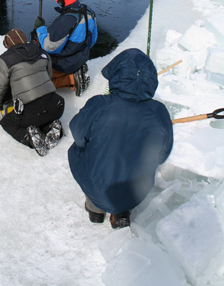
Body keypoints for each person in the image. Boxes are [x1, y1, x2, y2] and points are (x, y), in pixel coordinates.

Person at [67, 48, 173, 229]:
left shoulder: (99, 104)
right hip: (137, 192)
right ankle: (122, 212)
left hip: (97, 186)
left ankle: (95, 209)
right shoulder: (159, 112)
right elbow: (162, 156)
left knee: (76, 151)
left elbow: (78, 135)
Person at [0, 29, 66, 157]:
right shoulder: (41, 52)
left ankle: (28, 137)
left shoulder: (5, 60)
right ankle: (50, 126)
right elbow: (48, 76)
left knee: (7, 122)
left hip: (32, 113)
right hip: (56, 105)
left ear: (8, 45)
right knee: (42, 112)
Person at [32, 0, 96, 96]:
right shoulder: (88, 11)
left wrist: (40, 28)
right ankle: (75, 71)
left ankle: (71, 79)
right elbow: (93, 39)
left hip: (65, 63)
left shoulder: (66, 20)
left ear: (61, 1)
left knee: (37, 83)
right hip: (82, 56)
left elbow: (48, 46)